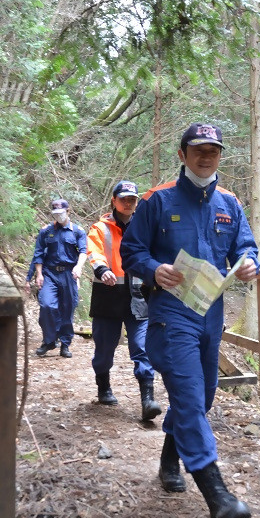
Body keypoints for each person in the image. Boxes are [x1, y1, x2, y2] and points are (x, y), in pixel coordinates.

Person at [121, 124, 260, 518]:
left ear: (220, 156)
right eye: (198, 150)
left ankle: (169, 458)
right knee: (187, 391)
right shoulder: (157, 201)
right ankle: (218, 496)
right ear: (182, 154)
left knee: (204, 396)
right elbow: (131, 250)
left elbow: (245, 247)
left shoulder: (230, 204)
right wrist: (153, 268)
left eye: (213, 150)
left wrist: (250, 262)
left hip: (211, 311)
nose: (206, 157)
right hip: (171, 311)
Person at [87, 181, 162, 422]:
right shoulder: (100, 228)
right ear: (114, 200)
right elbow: (94, 252)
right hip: (107, 297)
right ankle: (103, 387)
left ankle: (147, 399)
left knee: (142, 348)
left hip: (138, 297)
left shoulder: (145, 226)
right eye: (124, 198)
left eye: (133, 199)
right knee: (104, 350)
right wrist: (101, 269)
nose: (128, 203)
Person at [28, 198, 87, 358]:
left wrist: (78, 267)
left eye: (61, 213)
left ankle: (65, 344)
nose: (58, 216)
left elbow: (83, 251)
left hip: (69, 273)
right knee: (47, 305)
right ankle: (49, 340)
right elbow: (38, 253)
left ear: (68, 212)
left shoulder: (77, 231)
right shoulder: (46, 231)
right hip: (49, 273)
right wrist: (39, 274)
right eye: (55, 214)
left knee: (67, 309)